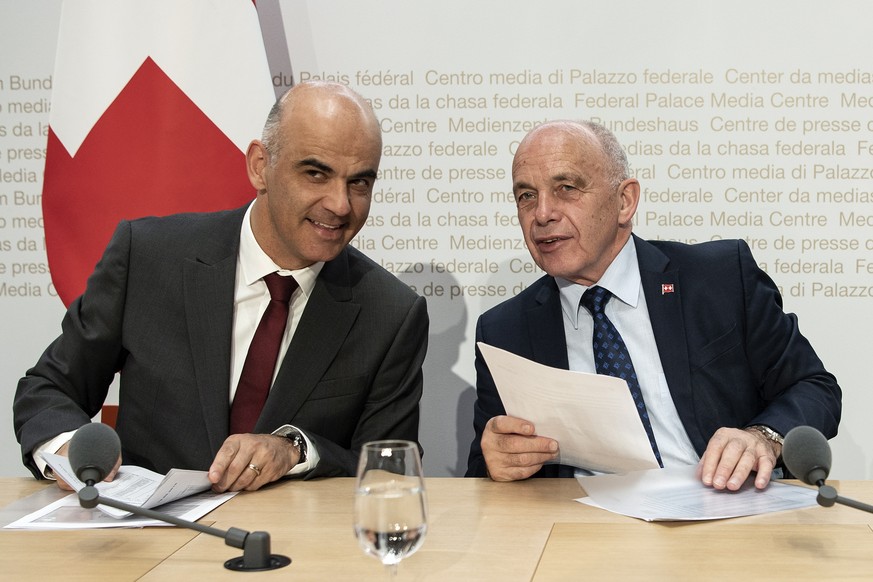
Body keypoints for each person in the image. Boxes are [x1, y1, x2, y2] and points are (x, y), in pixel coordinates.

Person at [14, 81, 429, 492]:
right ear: (259, 166)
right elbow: (49, 389)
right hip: (146, 542)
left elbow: (391, 470)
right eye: (316, 173)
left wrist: (297, 450)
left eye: (359, 183)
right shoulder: (147, 258)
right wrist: (68, 451)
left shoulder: (389, 313)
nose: (340, 204)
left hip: (293, 549)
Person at [466, 119, 840, 490]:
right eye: (526, 196)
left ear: (624, 201)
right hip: (582, 531)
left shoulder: (719, 278)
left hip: (724, 511)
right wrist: (495, 460)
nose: (543, 213)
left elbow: (813, 386)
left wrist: (762, 437)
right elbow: (484, 470)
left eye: (566, 188)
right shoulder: (504, 331)